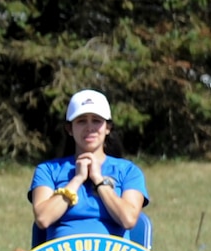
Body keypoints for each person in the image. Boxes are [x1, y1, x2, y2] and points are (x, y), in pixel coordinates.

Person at [28, 90, 149, 242]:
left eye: (97, 120)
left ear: (108, 127)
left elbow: (128, 219)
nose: (89, 127)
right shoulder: (47, 170)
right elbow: (43, 218)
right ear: (69, 129)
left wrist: (98, 180)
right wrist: (77, 180)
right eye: (81, 121)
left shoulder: (129, 171)